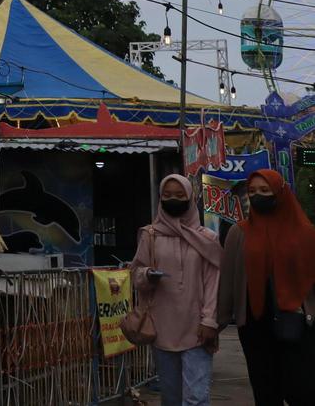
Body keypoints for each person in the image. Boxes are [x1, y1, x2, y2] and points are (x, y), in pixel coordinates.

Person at [216, 169, 315, 406]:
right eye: (252, 192)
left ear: (280, 193)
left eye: (264, 190)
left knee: (302, 390)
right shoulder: (238, 233)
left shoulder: (306, 233)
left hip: (298, 322)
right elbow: (228, 282)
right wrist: (216, 323)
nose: (257, 195)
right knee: (265, 391)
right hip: (254, 323)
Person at [128, 174, 222, 406]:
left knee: (196, 398)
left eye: (180, 195)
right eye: (167, 195)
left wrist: (210, 320)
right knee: (171, 397)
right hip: (162, 327)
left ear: (190, 199)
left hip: (197, 329)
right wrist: (147, 274)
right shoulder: (150, 236)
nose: (173, 199)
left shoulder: (207, 238)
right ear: (160, 199)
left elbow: (214, 282)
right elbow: (135, 273)